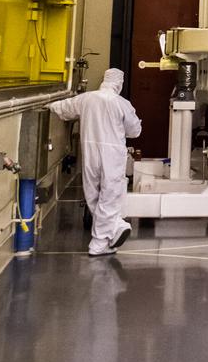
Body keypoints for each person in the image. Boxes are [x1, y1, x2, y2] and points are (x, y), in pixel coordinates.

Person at [49, 68, 141, 257]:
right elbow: (134, 131)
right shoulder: (122, 103)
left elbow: (63, 108)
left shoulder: (87, 99)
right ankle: (103, 238)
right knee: (110, 193)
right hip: (112, 153)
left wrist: (49, 104)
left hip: (90, 150)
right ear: (119, 83)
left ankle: (111, 233)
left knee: (92, 192)